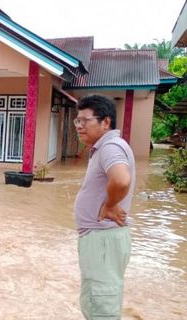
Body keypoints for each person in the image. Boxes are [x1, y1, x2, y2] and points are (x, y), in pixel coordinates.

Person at [73, 94, 135, 319]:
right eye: (77, 121)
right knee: (97, 301)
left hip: (103, 241)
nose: (79, 126)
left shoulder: (110, 146)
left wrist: (109, 206)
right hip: (102, 240)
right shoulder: (105, 147)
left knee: (101, 306)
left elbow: (120, 179)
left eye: (85, 120)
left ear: (106, 122)